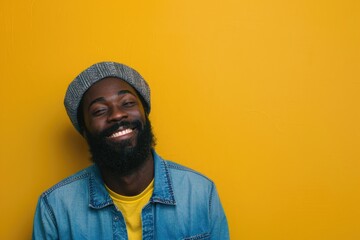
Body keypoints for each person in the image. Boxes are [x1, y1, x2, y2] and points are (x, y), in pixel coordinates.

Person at [32, 62, 229, 240]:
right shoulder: (55, 209)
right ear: (85, 131)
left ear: (145, 113)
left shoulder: (201, 193)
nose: (117, 115)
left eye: (127, 103)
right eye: (99, 110)